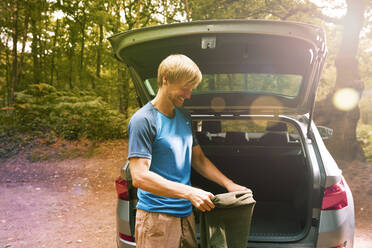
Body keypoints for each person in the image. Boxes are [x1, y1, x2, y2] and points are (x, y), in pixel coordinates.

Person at [128, 54, 247, 248]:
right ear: (165, 79)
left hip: (186, 215)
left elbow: (198, 159)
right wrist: (190, 192)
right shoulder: (144, 120)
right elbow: (140, 177)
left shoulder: (184, 116)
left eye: (191, 89)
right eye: (185, 88)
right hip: (157, 219)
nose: (189, 95)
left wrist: (229, 184)